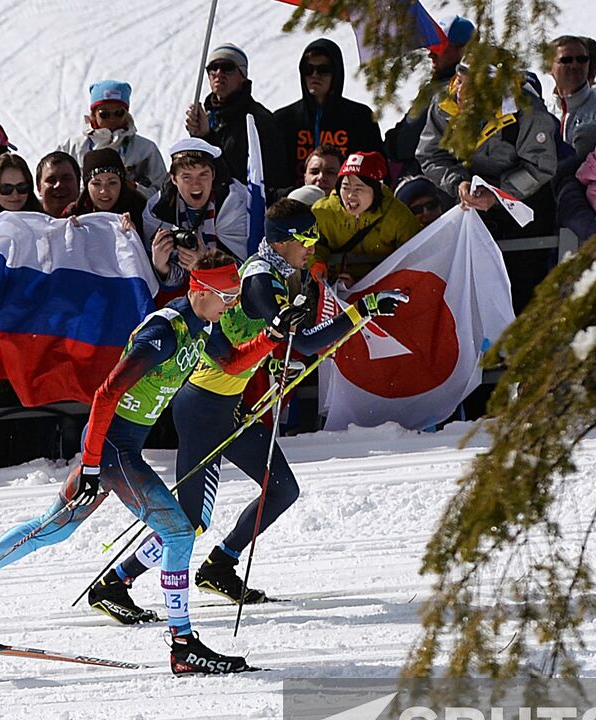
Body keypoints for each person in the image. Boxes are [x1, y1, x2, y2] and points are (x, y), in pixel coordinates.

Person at [0, 252, 313, 675]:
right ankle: (183, 645)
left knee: (53, 528)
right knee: (178, 531)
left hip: (116, 448)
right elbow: (106, 393)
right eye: (226, 296)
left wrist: (273, 335)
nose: (232, 304)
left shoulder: (203, 325)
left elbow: (233, 361)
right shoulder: (164, 333)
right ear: (200, 290)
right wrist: (93, 465)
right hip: (112, 449)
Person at [89, 200, 406, 620]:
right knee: (191, 520)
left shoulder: (277, 272)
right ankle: (115, 582)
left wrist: (274, 362)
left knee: (282, 489)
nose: (312, 246)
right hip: (202, 408)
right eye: (306, 238)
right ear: (281, 240)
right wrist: (362, 310)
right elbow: (302, 340)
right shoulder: (260, 279)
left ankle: (220, 566)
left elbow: (257, 340)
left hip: (228, 408)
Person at [417, 52, 559, 311]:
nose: (461, 92)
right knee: (468, 292)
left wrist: (498, 195)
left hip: (522, 212)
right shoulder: (444, 105)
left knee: (522, 292)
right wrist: (457, 183)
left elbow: (540, 166)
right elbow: (430, 155)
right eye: (460, 81)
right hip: (466, 207)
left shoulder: (528, 111)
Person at [142, 138, 251, 295]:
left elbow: (247, 270)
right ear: (174, 179)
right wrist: (161, 267)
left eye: (203, 175)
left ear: (213, 175)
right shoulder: (160, 211)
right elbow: (173, 283)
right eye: (187, 177)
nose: (196, 184)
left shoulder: (235, 204)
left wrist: (207, 265)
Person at [273, 39, 385, 181]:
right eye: (308, 69)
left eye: (323, 70)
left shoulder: (359, 117)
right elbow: (274, 172)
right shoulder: (284, 120)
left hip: (347, 193)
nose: (315, 75)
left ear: (336, 73)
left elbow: (377, 169)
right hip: (297, 193)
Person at [184, 43, 292, 189]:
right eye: (213, 68)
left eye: (227, 68)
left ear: (242, 76)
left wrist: (207, 137)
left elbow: (270, 177)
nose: (219, 73)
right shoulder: (206, 117)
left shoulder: (260, 120)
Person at [384, 15, 476, 178]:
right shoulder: (440, 87)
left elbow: (403, 145)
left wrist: (391, 141)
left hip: (432, 181)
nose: (430, 54)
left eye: (439, 47)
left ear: (464, 50)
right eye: (430, 47)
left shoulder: (441, 93)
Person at [311, 150, 421, 284]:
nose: (350, 196)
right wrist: (316, 262)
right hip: (333, 284)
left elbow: (413, 258)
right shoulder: (322, 211)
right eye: (345, 187)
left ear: (376, 190)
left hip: (383, 285)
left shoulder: (398, 216)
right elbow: (311, 245)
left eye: (359, 188)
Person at [59, 80, 168, 197]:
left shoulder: (145, 150)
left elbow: (162, 192)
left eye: (119, 113)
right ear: (94, 114)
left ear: (127, 113)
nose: (112, 118)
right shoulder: (73, 147)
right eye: (104, 114)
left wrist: (135, 188)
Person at [548, 35, 596, 147]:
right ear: (549, 67)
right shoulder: (544, 111)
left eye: (582, 59)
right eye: (566, 60)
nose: (575, 65)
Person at [70, 148, 148, 239]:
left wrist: (136, 236)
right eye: (96, 184)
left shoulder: (143, 214)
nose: (104, 190)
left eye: (112, 183)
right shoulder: (74, 212)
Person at [35, 151, 81, 218]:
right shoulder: (24, 221)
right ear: (39, 188)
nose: (59, 185)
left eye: (66, 179)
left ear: (78, 184)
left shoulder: (95, 220)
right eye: (51, 180)